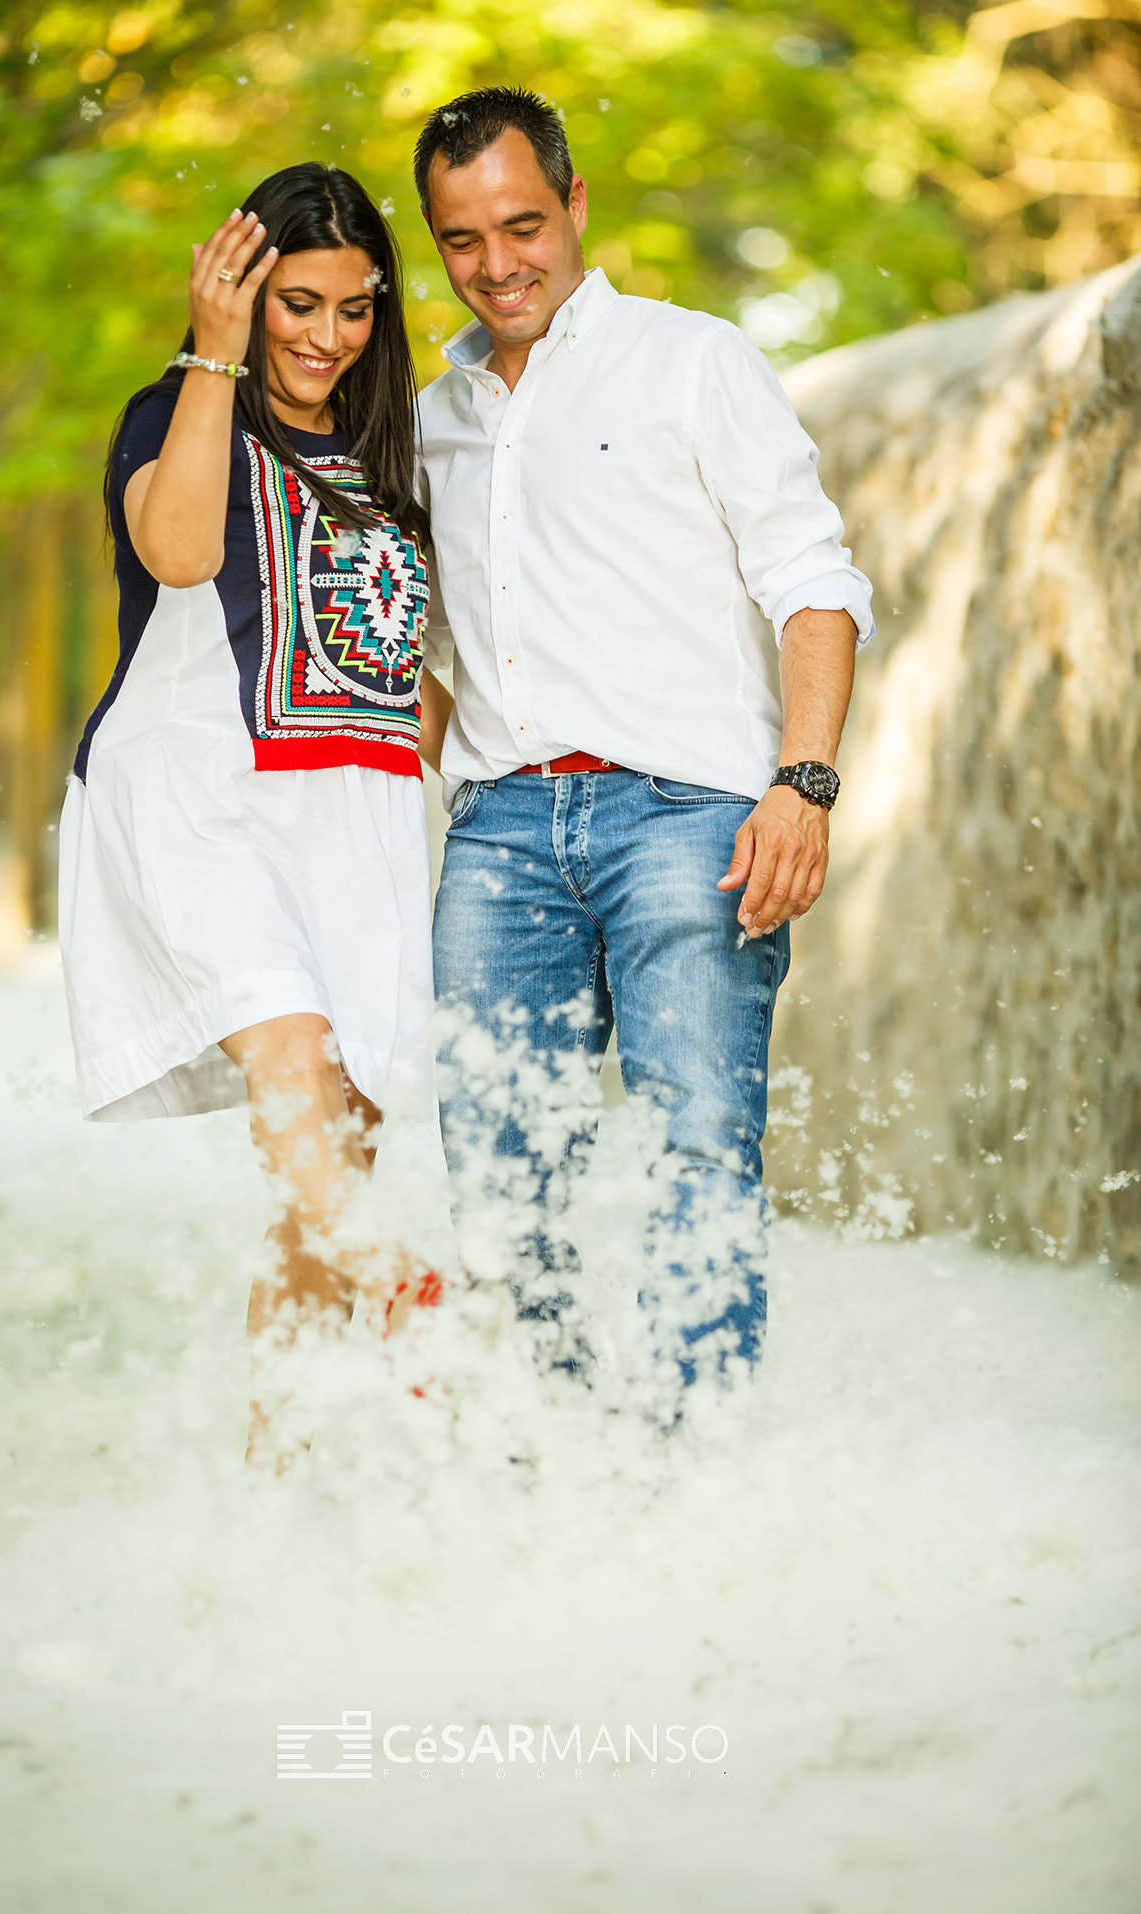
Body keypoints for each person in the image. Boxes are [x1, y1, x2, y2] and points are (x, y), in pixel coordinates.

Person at [413, 89, 874, 1403]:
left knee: (700, 1143)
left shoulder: (693, 359)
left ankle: (694, 1469)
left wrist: (802, 783)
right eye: (461, 239)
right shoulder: (429, 418)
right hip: (499, 835)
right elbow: (434, 655)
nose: (499, 263)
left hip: (690, 820)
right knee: (499, 1167)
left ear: (575, 206)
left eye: (522, 224)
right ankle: (544, 1456)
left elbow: (814, 582)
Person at [59, 164, 456, 1460]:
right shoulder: (176, 412)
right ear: (243, 289)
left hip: (363, 819)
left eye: (351, 309)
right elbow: (177, 551)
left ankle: (272, 1476)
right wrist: (214, 357)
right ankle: (426, 1321)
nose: (322, 336)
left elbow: (410, 663)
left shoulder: (393, 447)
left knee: (324, 1170)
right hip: (202, 796)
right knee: (291, 1069)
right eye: (295, 302)